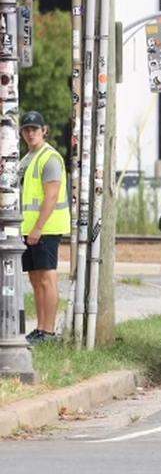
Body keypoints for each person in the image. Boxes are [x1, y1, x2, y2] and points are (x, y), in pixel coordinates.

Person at [18, 111, 70, 345]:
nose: (30, 133)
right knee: (36, 279)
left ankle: (48, 332)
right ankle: (40, 329)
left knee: (47, 278)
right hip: (29, 230)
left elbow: (51, 197)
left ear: (44, 130)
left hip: (45, 228)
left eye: (34, 129)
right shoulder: (27, 158)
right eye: (26, 129)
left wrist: (38, 227)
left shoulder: (50, 158)